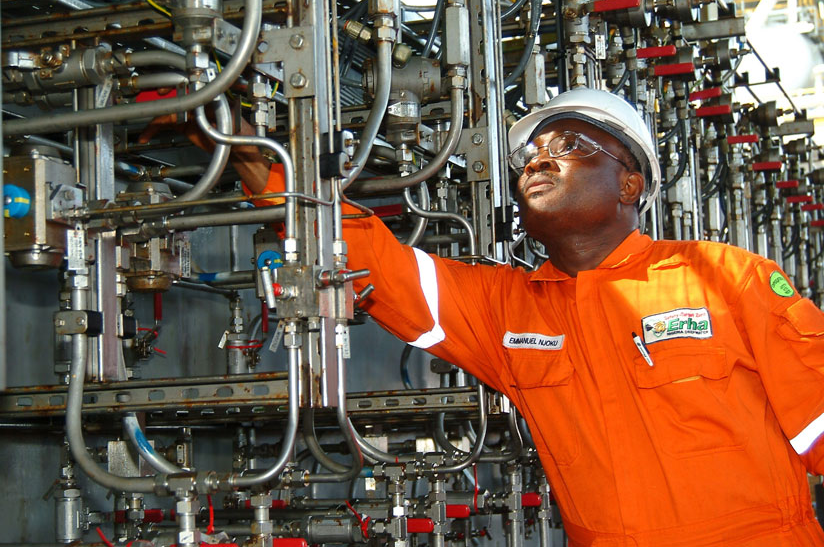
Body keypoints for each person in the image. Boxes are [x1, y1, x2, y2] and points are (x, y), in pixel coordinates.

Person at [159, 88, 824, 545]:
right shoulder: (509, 308)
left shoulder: (723, 279)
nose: (538, 158)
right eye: (530, 155)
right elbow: (372, 261)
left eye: (570, 144)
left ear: (630, 184)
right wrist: (242, 142)